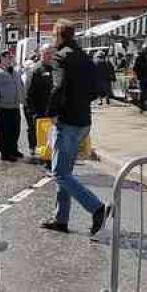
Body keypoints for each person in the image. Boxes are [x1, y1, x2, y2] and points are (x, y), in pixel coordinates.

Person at [42, 23, 111, 235]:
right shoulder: (84, 56)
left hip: (68, 122)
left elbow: (58, 87)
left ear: (59, 36)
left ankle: (96, 207)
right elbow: (96, 90)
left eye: (54, 35)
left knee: (60, 173)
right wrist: (80, 101)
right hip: (84, 121)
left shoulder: (61, 56)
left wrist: (52, 112)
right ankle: (61, 219)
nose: (53, 38)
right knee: (66, 172)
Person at [0, 51, 25, 161]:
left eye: (11, 58)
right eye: (7, 58)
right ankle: (5, 153)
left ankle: (13, 149)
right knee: (4, 132)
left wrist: (23, 98)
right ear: (1, 58)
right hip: (2, 107)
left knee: (15, 130)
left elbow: (21, 85)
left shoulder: (14, 71)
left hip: (15, 106)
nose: (10, 60)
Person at [25, 45, 55, 161]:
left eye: (51, 53)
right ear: (41, 54)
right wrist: (33, 112)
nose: (50, 56)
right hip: (38, 110)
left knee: (50, 136)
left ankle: (48, 156)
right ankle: (34, 151)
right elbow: (28, 93)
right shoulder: (36, 70)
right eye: (47, 53)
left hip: (51, 110)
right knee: (36, 133)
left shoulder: (54, 69)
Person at [133, 44, 147, 112]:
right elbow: (135, 67)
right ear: (143, 49)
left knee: (145, 90)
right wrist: (138, 74)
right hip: (142, 76)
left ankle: (143, 104)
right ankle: (141, 105)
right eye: (146, 49)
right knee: (142, 91)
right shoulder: (139, 57)